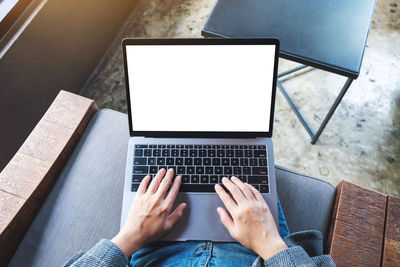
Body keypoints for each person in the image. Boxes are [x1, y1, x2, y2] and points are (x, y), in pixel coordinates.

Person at [64, 168, 335, 266]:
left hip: (152, 247)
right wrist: (272, 247)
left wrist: (129, 237)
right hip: (258, 251)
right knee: (245, 151)